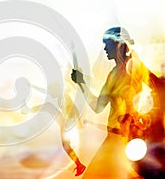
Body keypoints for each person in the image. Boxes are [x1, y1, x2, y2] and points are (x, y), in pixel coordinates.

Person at [71, 27, 150, 178]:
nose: (105, 48)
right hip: (116, 140)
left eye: (107, 43)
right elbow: (97, 107)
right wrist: (81, 83)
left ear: (118, 44)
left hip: (122, 142)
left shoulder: (134, 69)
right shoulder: (114, 74)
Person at [22, 82, 86, 176]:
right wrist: (33, 86)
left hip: (67, 122)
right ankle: (79, 164)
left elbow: (74, 108)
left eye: (52, 93)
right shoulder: (58, 96)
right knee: (48, 106)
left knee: (49, 107)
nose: (51, 95)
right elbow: (44, 91)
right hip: (64, 121)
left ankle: (79, 165)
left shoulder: (65, 96)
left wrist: (79, 122)